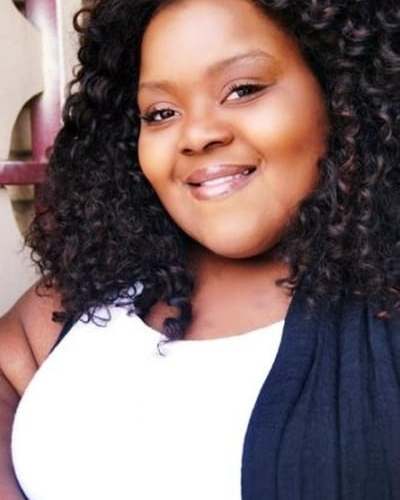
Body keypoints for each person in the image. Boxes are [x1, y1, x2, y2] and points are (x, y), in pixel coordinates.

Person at [0, 0, 399, 498]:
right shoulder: (104, 286)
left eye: (243, 90)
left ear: (340, 93)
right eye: (161, 113)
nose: (196, 135)